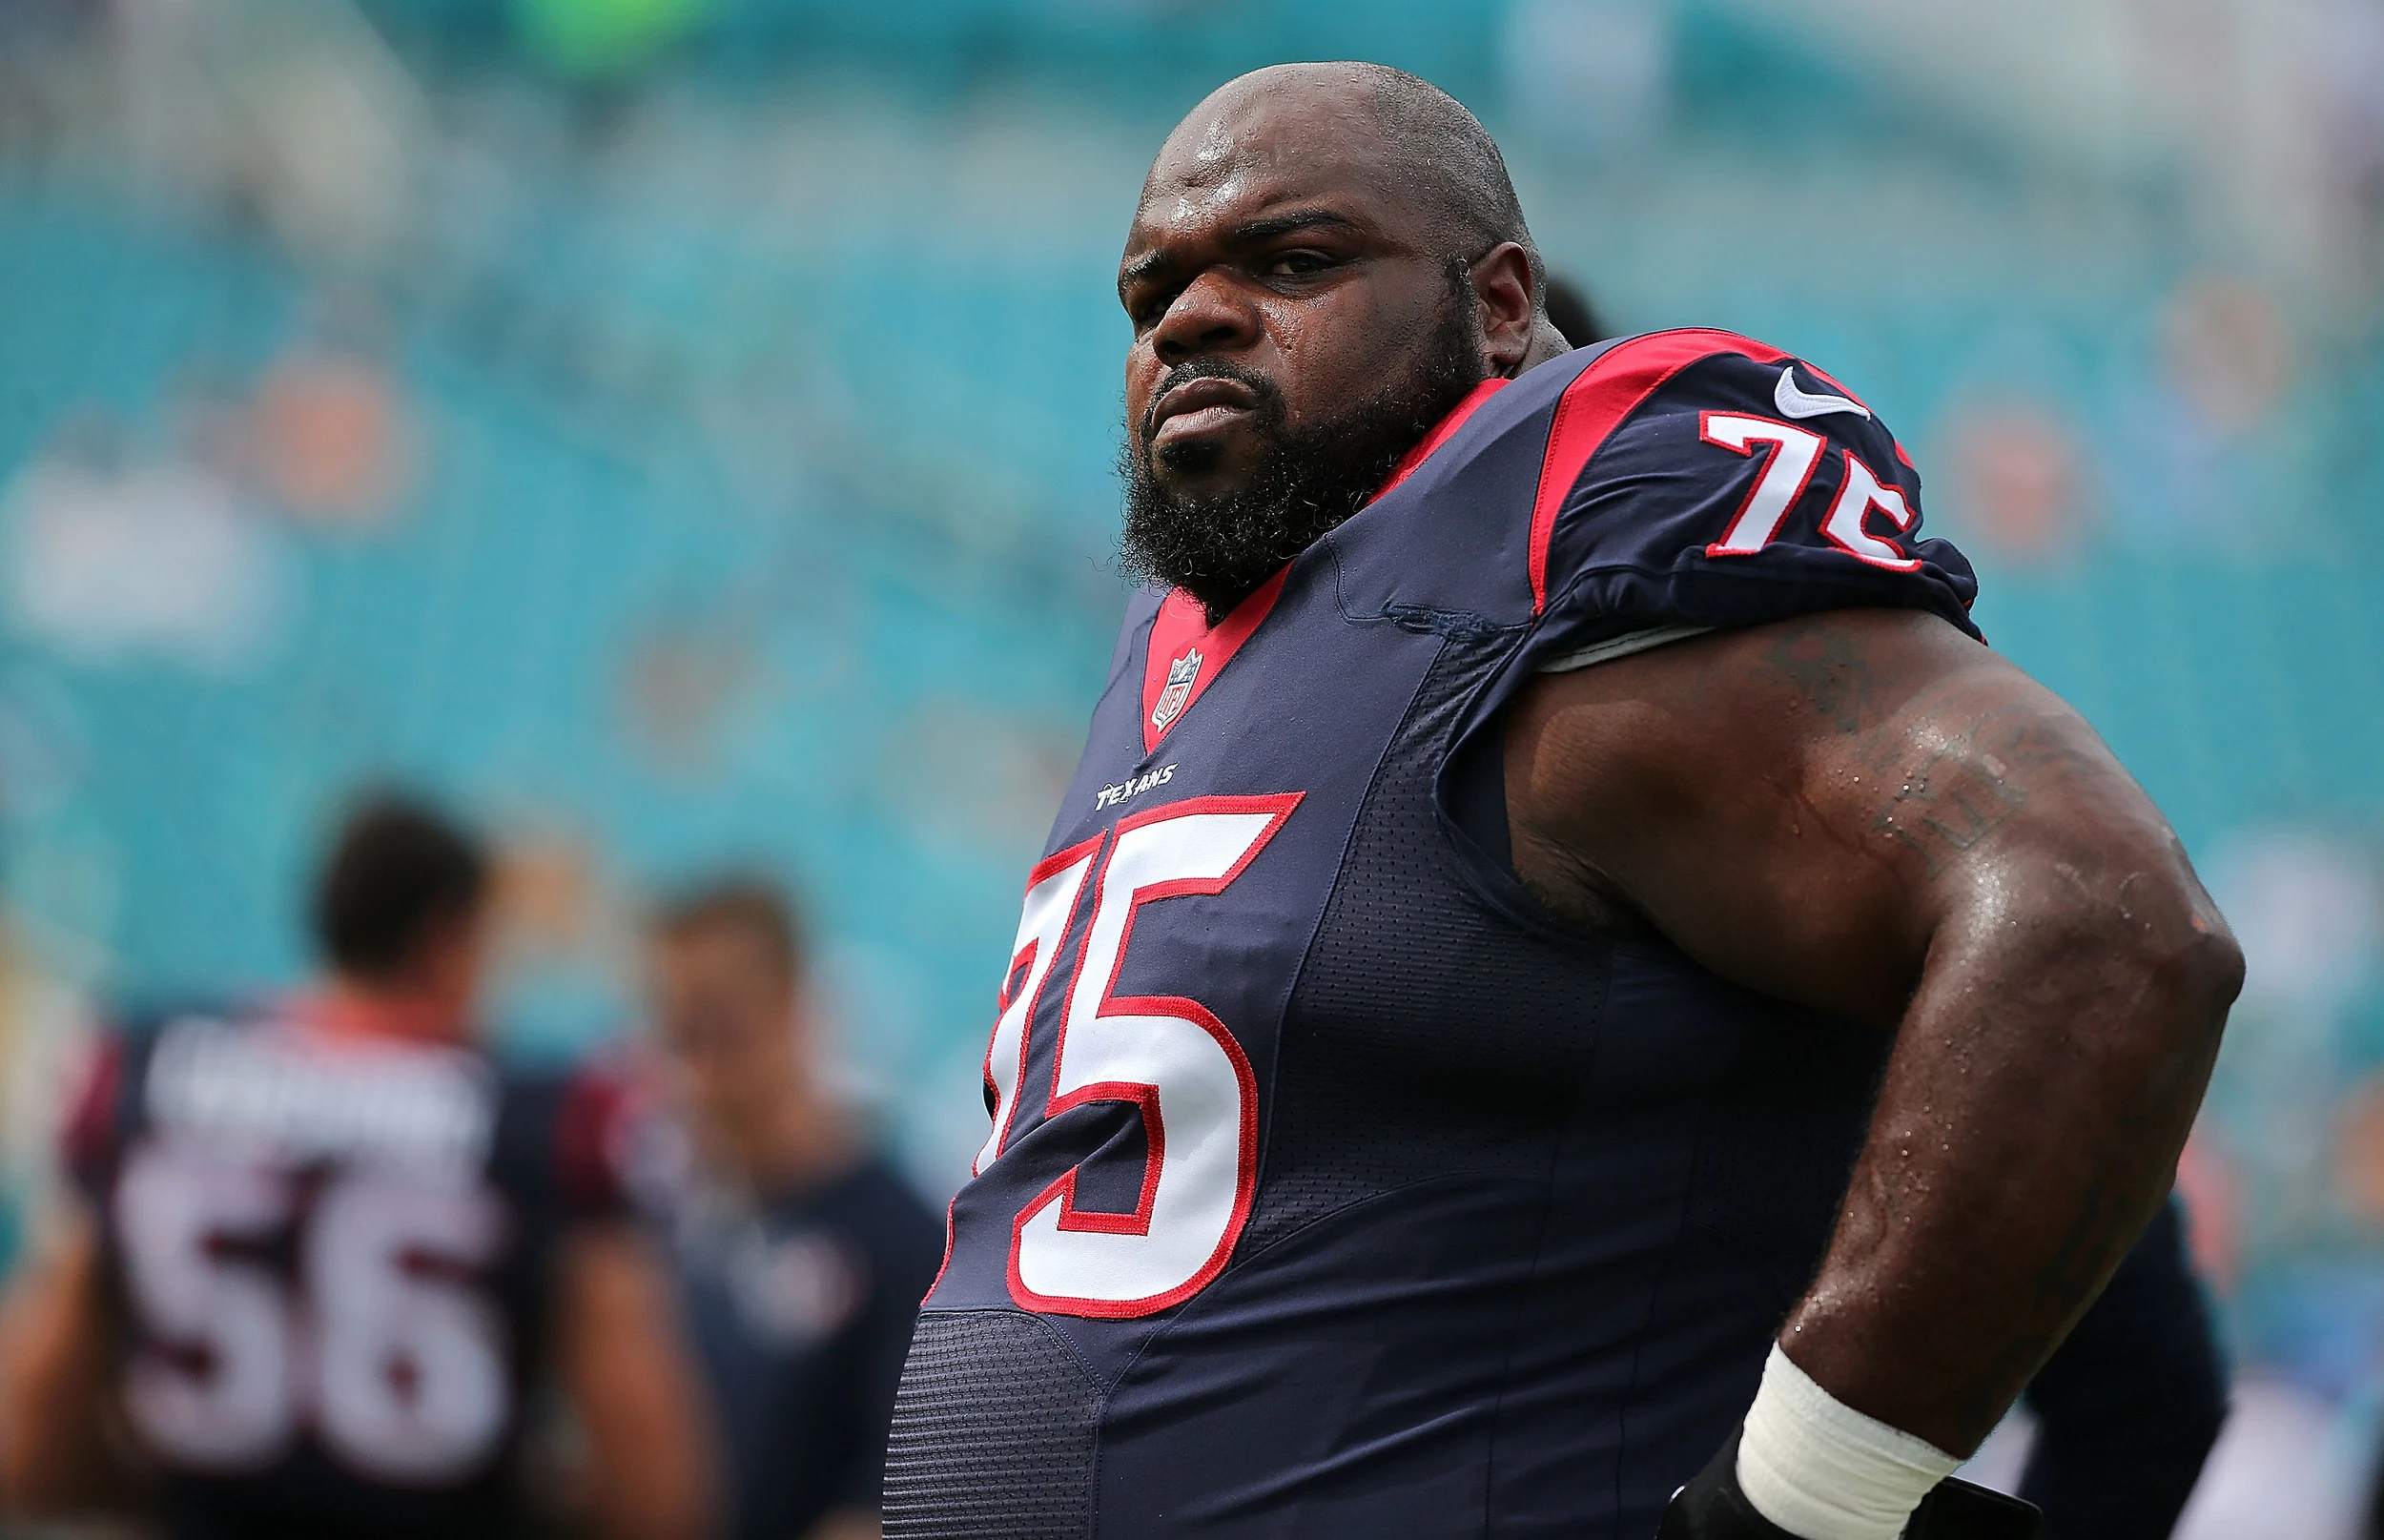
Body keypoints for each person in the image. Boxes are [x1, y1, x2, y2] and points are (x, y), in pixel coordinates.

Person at [883, 62, 2242, 1540]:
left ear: (1504, 304)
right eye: (1151, 298)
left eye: (1294, 261)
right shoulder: (1182, 646)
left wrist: (1799, 1503)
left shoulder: (1559, 531)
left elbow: (2099, 919)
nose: (1194, 317)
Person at [0, 794, 715, 1540]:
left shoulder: (146, 1076)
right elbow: (653, 1496)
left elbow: (33, 1436)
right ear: (450, 938)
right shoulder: (552, 1120)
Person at [643, 879, 941, 1540]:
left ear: (793, 1009)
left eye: (724, 1029)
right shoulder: (658, 1225)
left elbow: (893, 1503)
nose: (702, 1068)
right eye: (681, 1036)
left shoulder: (901, 1241)